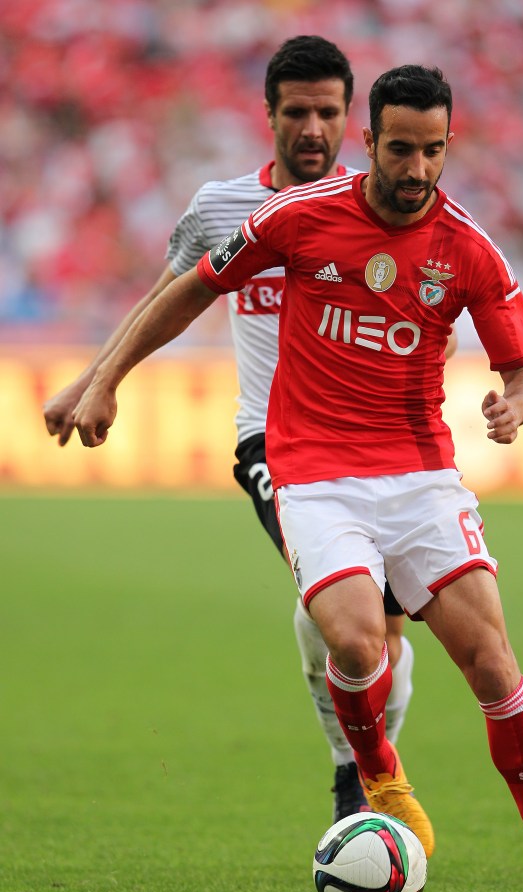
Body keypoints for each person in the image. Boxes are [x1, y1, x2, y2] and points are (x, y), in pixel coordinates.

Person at [71, 63, 523, 892]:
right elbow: (193, 290)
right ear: (370, 142)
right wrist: (107, 379)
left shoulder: (468, 248)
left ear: (447, 147)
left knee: (495, 666)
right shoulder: (297, 218)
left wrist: (518, 406)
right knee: (358, 646)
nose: (416, 168)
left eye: (432, 151)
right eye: (400, 148)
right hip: (312, 470)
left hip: (423, 476)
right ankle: (378, 776)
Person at [43, 36, 444, 828]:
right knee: (336, 603)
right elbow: (169, 296)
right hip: (275, 443)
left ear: (351, 123)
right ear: (268, 116)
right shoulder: (224, 208)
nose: (311, 128)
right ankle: (354, 777)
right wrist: (98, 379)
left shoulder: (382, 213)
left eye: (328, 112)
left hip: (373, 448)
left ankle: (365, 767)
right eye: (296, 112)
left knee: (387, 630)